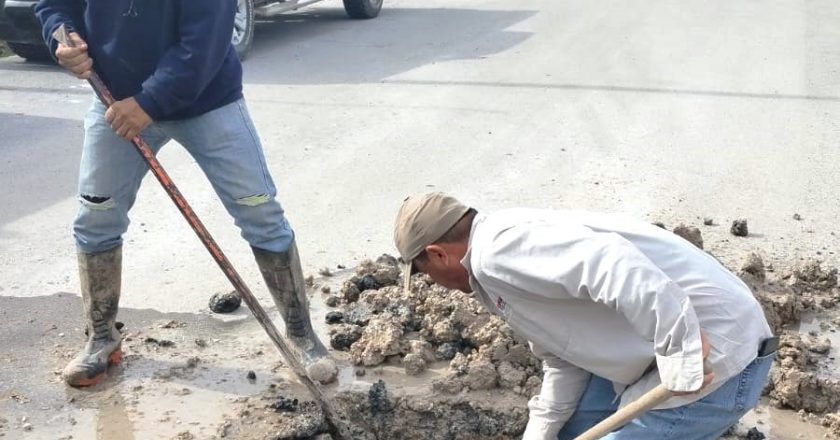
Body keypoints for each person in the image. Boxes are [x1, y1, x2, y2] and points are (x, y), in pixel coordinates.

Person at [36, 0, 333, 387]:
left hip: (206, 100)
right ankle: (101, 338)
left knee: (259, 212)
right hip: (114, 99)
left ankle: (299, 335)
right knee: (96, 217)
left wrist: (149, 103)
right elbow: (52, 4)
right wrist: (61, 36)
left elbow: (205, 40)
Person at [393, 192, 777, 440]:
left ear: (439, 253)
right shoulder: (495, 274)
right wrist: (538, 434)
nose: (436, 285)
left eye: (426, 273)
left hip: (723, 362)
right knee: (571, 431)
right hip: (657, 366)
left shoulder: (497, 249)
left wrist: (680, 346)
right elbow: (563, 359)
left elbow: (611, 262)